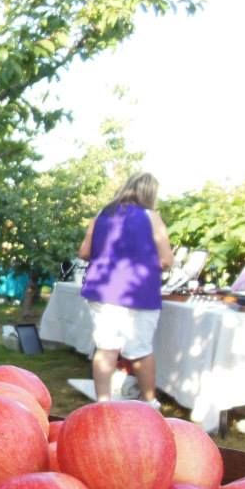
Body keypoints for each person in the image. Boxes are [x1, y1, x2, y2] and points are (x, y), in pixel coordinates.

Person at [78, 172, 174, 407]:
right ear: (151, 193)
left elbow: (84, 252)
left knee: (106, 348)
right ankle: (150, 402)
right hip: (138, 291)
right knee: (140, 349)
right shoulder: (151, 217)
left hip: (103, 290)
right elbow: (167, 259)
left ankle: (102, 403)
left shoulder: (102, 214)